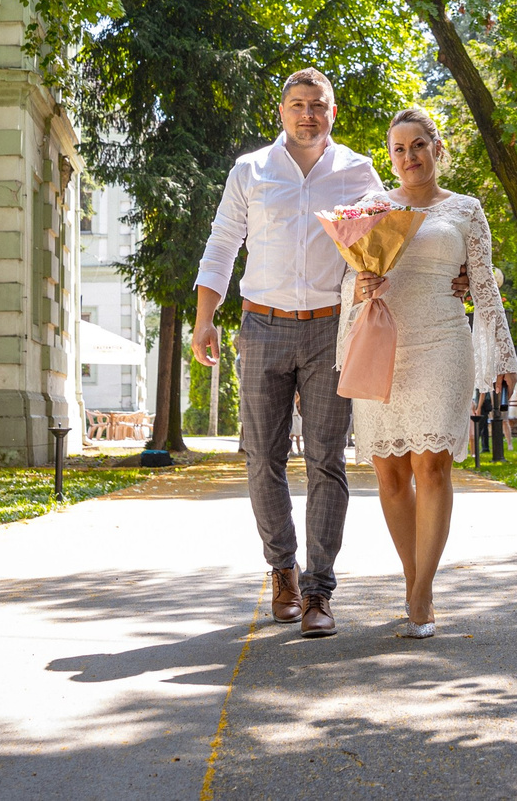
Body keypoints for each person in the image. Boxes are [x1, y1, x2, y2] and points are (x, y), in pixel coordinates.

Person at [194, 69, 381, 639]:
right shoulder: (250, 170)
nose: (307, 114)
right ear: (281, 111)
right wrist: (205, 319)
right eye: (297, 105)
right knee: (261, 456)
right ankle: (284, 574)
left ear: (332, 112)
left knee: (328, 460)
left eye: (317, 105)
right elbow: (223, 243)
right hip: (262, 326)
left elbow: (384, 246)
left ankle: (321, 591)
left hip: (331, 328)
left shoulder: (358, 172)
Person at [341, 106, 517, 638]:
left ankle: (422, 595)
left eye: (418, 145)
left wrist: (499, 354)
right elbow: (345, 283)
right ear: (390, 158)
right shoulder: (369, 209)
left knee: (432, 465)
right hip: (383, 342)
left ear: (437, 148)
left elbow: (485, 282)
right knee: (390, 474)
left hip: (443, 340)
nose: (409, 157)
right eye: (398, 149)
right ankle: (409, 577)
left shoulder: (466, 210)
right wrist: (359, 291)